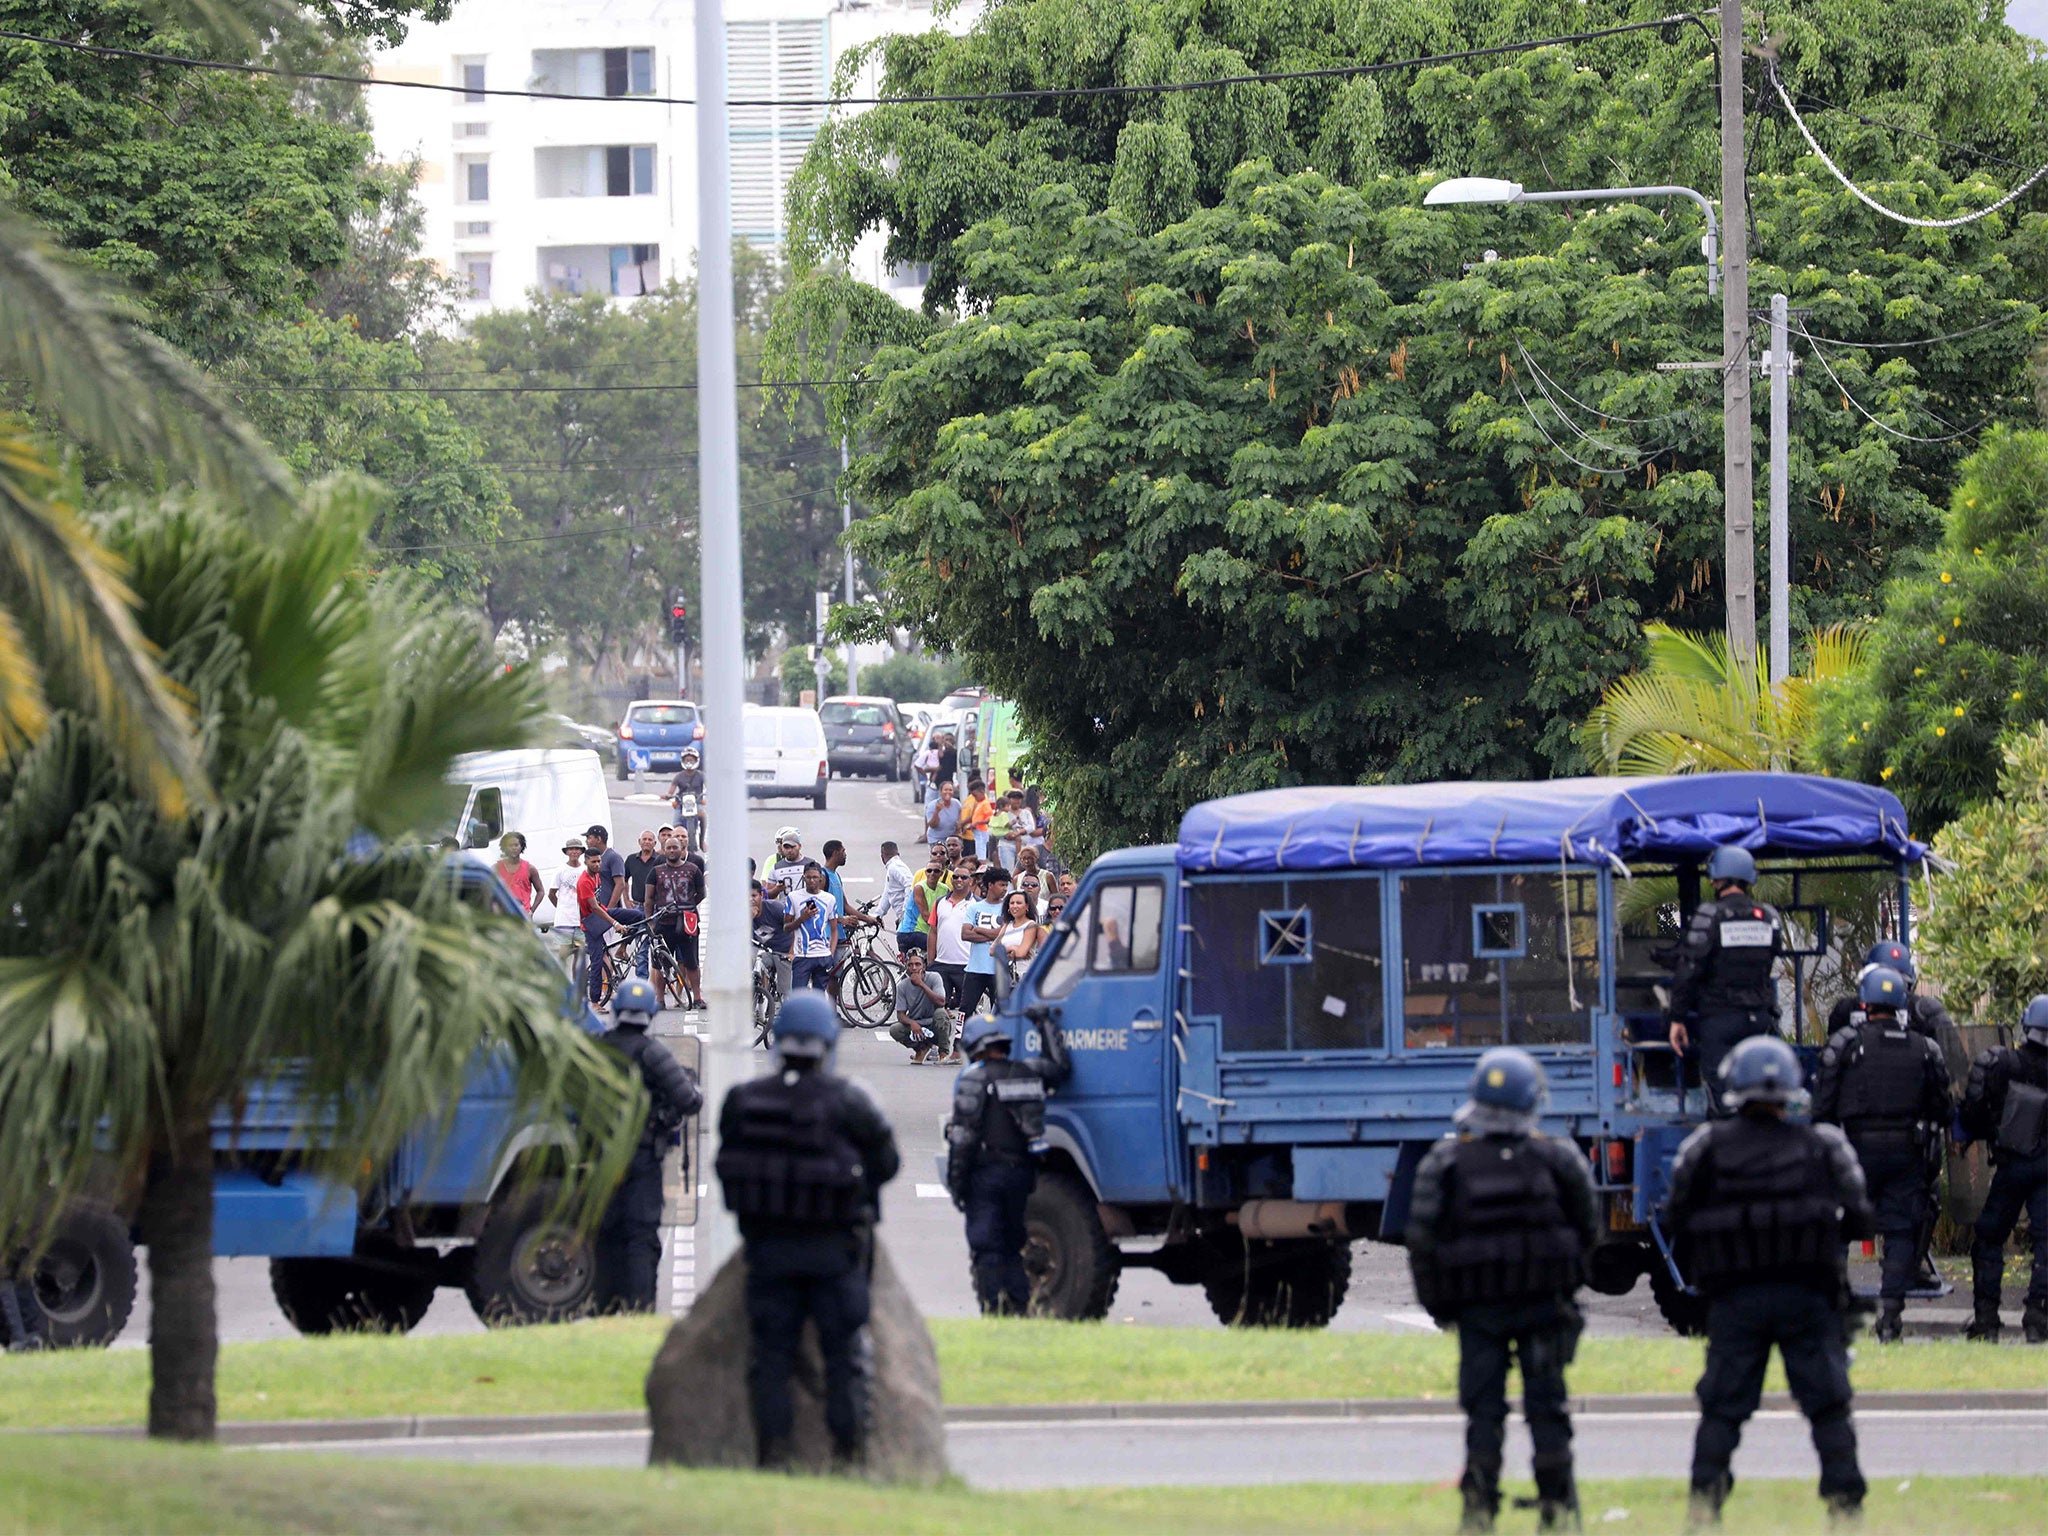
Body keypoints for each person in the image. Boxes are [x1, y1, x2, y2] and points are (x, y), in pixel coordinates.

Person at [1666, 1035, 1874, 1526]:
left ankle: (1704, 1504)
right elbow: (1862, 1216)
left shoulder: (1705, 1146)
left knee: (1722, 1406)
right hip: (1808, 1298)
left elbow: (1677, 1215)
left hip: (1735, 1300)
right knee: (1828, 1406)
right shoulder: (1824, 1145)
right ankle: (1845, 1507)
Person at [1405, 1048, 1599, 1534]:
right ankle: (1556, 1508)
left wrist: (1443, 1308)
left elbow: (1422, 1241)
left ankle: (1478, 1512)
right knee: (1548, 1408)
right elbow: (1589, 1229)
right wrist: (1565, 1284)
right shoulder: (1559, 1158)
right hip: (1543, 1308)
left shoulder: (1445, 1162)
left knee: (1483, 1412)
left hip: (1479, 1312)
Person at [715, 992, 900, 1471]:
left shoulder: (744, 1101)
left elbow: (727, 1165)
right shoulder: (849, 1100)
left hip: (768, 1253)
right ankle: (848, 1454)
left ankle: (772, 1456)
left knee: (770, 1358)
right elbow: (887, 1161)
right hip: (834, 1254)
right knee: (845, 1358)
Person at [1812, 966, 1952, 1342]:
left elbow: (1821, 1107)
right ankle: (1890, 1319)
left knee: (1840, 1226)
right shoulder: (1925, 1048)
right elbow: (1942, 1108)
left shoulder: (1844, 1044)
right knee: (1901, 1231)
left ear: (1865, 1002)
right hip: (1906, 1152)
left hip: (1856, 1149)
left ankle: (1835, 1312)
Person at [1824, 940, 1963, 1291]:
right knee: (1914, 1205)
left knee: (1846, 1204)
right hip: (1906, 1135)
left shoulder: (1847, 1015)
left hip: (1862, 1133)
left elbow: (1830, 1072)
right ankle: (1902, 1279)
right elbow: (1952, 1074)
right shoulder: (1924, 1016)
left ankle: (1840, 1282)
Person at [944, 1009, 1071, 1314]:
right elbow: (1058, 1066)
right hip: (1021, 1174)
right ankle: (1018, 1306)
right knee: (1014, 1246)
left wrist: (957, 1185)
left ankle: (993, 1308)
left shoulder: (973, 1079)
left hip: (985, 1175)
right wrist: (1045, 1025)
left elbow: (962, 1139)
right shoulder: (1026, 1072)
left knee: (986, 1246)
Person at [594, 976, 703, 1312]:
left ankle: (605, 1311)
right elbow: (690, 1101)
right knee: (640, 1238)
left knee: (604, 1236)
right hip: (642, 1159)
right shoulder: (652, 1053)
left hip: (599, 1159)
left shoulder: (595, 1049)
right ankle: (639, 1312)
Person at [1957, 994, 2048, 1343]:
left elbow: (1972, 1112)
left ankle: (1986, 1321)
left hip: (2011, 1166)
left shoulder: (2001, 1063)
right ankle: (2038, 1320)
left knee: (1989, 1239)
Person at [1666, 846, 1782, 1115]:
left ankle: (1729, 1146)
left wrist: (1677, 1018)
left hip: (1720, 1019)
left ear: (1719, 880)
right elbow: (1771, 957)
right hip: (1758, 1018)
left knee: (1723, 1096)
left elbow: (1689, 970)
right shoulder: (1768, 917)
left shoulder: (1710, 916)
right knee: (1755, 1088)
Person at [647, 831, 707, 1010]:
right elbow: (649, 898)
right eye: (669, 848)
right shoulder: (655, 872)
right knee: (660, 963)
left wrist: (687, 907)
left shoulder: (693, 869)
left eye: (675, 847)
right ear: (664, 850)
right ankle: (659, 999)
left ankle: (697, 997)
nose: (672, 850)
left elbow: (701, 893)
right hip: (663, 923)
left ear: (682, 850)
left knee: (692, 961)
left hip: (687, 923)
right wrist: (650, 922)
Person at [957, 867, 1010, 1021]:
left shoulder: (1008, 908)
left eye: (1006, 885)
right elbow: (965, 934)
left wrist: (979, 929)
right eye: (1002, 885)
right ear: (990, 885)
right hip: (975, 968)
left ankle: (999, 1044)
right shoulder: (974, 908)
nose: (1005, 889)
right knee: (965, 1010)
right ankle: (959, 1042)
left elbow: (1005, 934)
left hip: (999, 970)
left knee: (1001, 1012)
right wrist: (995, 935)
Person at [785, 864, 841, 992]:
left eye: (815, 877)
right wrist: (802, 918)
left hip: (823, 956)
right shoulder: (793, 897)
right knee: (798, 997)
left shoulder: (829, 899)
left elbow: (834, 929)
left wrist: (830, 954)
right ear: (803, 878)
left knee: (819, 998)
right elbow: (786, 927)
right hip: (802, 956)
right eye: (808, 877)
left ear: (821, 878)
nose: (811, 881)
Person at [890, 949, 952, 1063]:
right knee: (895, 1030)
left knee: (941, 1014)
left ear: (923, 966)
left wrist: (921, 984)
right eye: (910, 965)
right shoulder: (902, 986)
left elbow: (941, 1002)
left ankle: (943, 1053)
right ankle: (921, 1049)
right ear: (906, 967)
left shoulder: (934, 977)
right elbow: (900, 1015)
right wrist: (912, 1023)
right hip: (917, 1026)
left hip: (935, 1023)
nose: (914, 968)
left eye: (917, 964)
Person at [930, 872, 974, 1015]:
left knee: (966, 1010)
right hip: (941, 964)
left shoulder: (977, 904)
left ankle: (965, 1037)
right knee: (938, 1009)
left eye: (963, 877)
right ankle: (939, 1037)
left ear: (971, 881)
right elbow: (933, 932)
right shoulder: (940, 902)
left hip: (966, 965)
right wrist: (931, 961)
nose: (959, 879)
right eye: (955, 876)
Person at [996, 889, 1042, 980]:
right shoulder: (1007, 925)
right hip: (1006, 976)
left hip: (1025, 975)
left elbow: (1021, 953)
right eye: (1012, 903)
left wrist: (1005, 950)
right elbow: (992, 950)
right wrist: (1013, 949)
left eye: (1019, 903)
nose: (1015, 906)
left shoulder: (1030, 925)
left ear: (1027, 906)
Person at [667, 746, 706, 845]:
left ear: (696, 760)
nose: (689, 762)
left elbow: (709, 786)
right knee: (676, 824)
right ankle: (675, 844)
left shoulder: (701, 775)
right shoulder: (679, 776)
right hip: (681, 803)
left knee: (703, 816)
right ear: (683, 761)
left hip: (696, 802)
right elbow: (672, 789)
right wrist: (668, 795)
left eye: (691, 760)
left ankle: (701, 841)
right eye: (687, 760)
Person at [494, 832, 541, 916]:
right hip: (503, 916)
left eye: (516, 845)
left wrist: (531, 911)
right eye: (510, 845)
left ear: (522, 846)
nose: (513, 848)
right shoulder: (496, 868)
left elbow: (540, 891)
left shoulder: (530, 869)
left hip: (523, 915)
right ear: (505, 847)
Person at [877, 840, 914, 945]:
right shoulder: (892, 867)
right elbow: (888, 893)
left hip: (906, 919)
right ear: (898, 853)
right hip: (903, 918)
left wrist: (905, 912)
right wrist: (878, 914)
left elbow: (910, 884)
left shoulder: (895, 866)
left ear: (882, 856)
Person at [623, 828, 662, 911]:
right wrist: (626, 900)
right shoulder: (631, 859)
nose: (647, 842)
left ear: (654, 843)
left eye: (650, 839)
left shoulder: (660, 860)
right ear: (639, 842)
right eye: (644, 839)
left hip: (655, 907)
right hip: (636, 906)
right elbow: (624, 880)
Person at [765, 828, 807, 902]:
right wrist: (777, 890)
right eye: (786, 847)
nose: (789, 850)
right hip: (784, 910)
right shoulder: (775, 867)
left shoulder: (811, 864)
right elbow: (768, 895)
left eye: (792, 847)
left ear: (799, 846)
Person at [925, 779, 963, 847]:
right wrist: (937, 811)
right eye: (945, 790)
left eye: (950, 790)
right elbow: (932, 825)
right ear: (940, 792)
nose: (948, 792)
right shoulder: (932, 805)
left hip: (951, 839)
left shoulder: (957, 804)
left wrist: (959, 828)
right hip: (936, 839)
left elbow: (960, 821)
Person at [962, 778, 993, 860]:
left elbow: (990, 818)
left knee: (981, 854)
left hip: (982, 832)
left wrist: (978, 823)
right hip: (977, 831)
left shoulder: (985, 803)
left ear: (981, 792)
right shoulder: (979, 803)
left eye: (975, 795)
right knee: (978, 852)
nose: (975, 798)